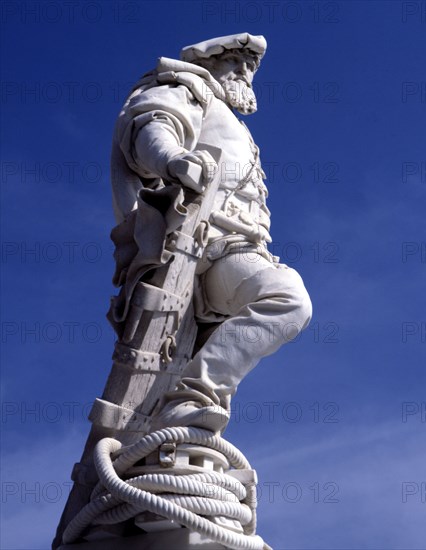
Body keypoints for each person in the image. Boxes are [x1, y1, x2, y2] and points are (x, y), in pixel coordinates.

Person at [111, 33, 312, 433]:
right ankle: (194, 396)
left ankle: (186, 413)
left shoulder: (233, 122)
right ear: (210, 62)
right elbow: (151, 127)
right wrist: (172, 159)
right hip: (202, 246)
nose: (244, 73)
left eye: (249, 68)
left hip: (236, 248)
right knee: (287, 299)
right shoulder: (187, 87)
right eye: (235, 63)